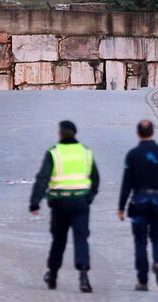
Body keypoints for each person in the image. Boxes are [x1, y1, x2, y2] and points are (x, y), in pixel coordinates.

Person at [30, 120, 100, 293]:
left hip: (60, 203)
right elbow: (95, 179)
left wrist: (35, 202)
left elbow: (42, 179)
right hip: (81, 203)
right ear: (75, 134)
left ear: (60, 134)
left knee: (58, 240)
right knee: (81, 238)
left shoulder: (54, 153)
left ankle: (52, 275)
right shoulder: (85, 152)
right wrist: (88, 198)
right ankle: (83, 277)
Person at [117, 120, 158, 291]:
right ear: (153, 132)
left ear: (138, 133)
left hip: (139, 202)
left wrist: (121, 207)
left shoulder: (133, 154)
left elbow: (127, 183)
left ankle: (142, 281)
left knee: (140, 242)